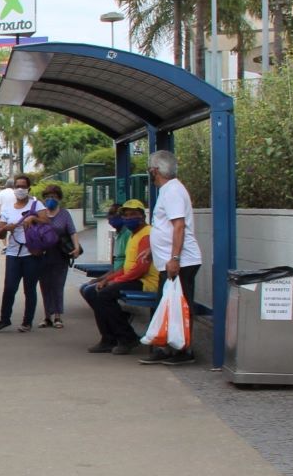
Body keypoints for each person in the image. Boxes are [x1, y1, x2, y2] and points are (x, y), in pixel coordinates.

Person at [140, 150, 203, 366]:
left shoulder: (173, 191)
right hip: (169, 260)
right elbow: (165, 227)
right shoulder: (168, 190)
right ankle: (165, 347)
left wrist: (175, 258)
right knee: (166, 304)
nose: (150, 172)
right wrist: (153, 249)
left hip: (181, 262)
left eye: (150, 168)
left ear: (155, 170)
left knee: (180, 306)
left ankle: (184, 350)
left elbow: (178, 226)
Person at [81, 199, 159, 354]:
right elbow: (126, 267)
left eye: (133, 215)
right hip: (132, 278)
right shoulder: (132, 235)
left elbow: (140, 269)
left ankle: (127, 338)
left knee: (104, 294)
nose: (129, 218)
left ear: (142, 216)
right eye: (126, 215)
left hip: (145, 281)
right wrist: (107, 279)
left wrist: (115, 281)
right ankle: (108, 339)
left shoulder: (147, 234)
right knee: (92, 291)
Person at [0, 174, 42, 332]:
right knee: (9, 287)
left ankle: (27, 321)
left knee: (29, 288)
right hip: (13, 253)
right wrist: (6, 228)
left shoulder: (36, 205)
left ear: (29, 188)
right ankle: (4, 319)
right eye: (17, 186)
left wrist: (33, 218)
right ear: (13, 189)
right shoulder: (7, 209)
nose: (20, 189)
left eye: (23, 186)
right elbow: (0, 233)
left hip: (31, 253)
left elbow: (47, 221)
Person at [32, 183, 82, 328]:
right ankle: (47, 316)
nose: (50, 199)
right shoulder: (40, 214)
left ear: (59, 198)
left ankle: (58, 316)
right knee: (45, 285)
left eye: (53, 196)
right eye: (47, 197)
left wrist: (76, 247)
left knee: (58, 285)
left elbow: (72, 231)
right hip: (43, 253)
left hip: (60, 254)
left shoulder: (64, 214)